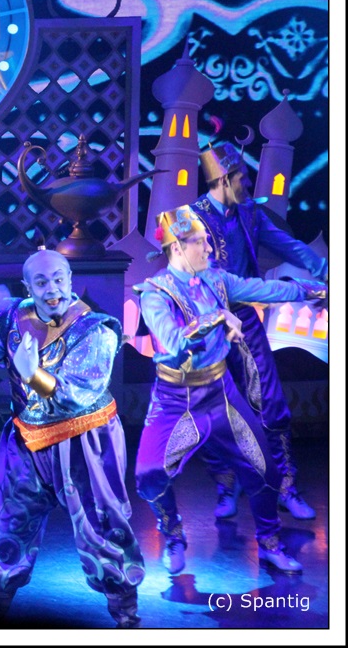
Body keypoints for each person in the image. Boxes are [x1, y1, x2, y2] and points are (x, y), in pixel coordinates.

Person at [0, 248, 145, 628]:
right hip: (26, 442)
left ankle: (126, 618)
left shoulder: (95, 329)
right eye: (41, 282)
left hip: (84, 442)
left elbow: (77, 393)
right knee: (8, 528)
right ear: (28, 287)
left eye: (58, 279)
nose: (52, 289)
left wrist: (32, 374)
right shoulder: (9, 319)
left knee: (103, 529)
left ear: (70, 280)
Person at [133, 205, 326, 576]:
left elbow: (264, 289)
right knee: (149, 474)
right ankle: (173, 533)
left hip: (221, 395)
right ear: (177, 248)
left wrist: (310, 289)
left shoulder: (216, 280)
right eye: (200, 242)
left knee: (264, 469)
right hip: (176, 401)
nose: (209, 248)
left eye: (207, 241)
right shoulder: (155, 294)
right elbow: (174, 343)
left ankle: (269, 544)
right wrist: (218, 317)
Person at [191, 141, 328, 521]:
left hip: (245, 321)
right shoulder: (189, 219)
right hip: (207, 326)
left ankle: (285, 486)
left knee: (269, 401)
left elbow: (289, 246)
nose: (249, 183)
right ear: (223, 179)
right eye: (242, 178)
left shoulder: (250, 214)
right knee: (213, 408)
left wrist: (324, 271)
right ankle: (226, 485)